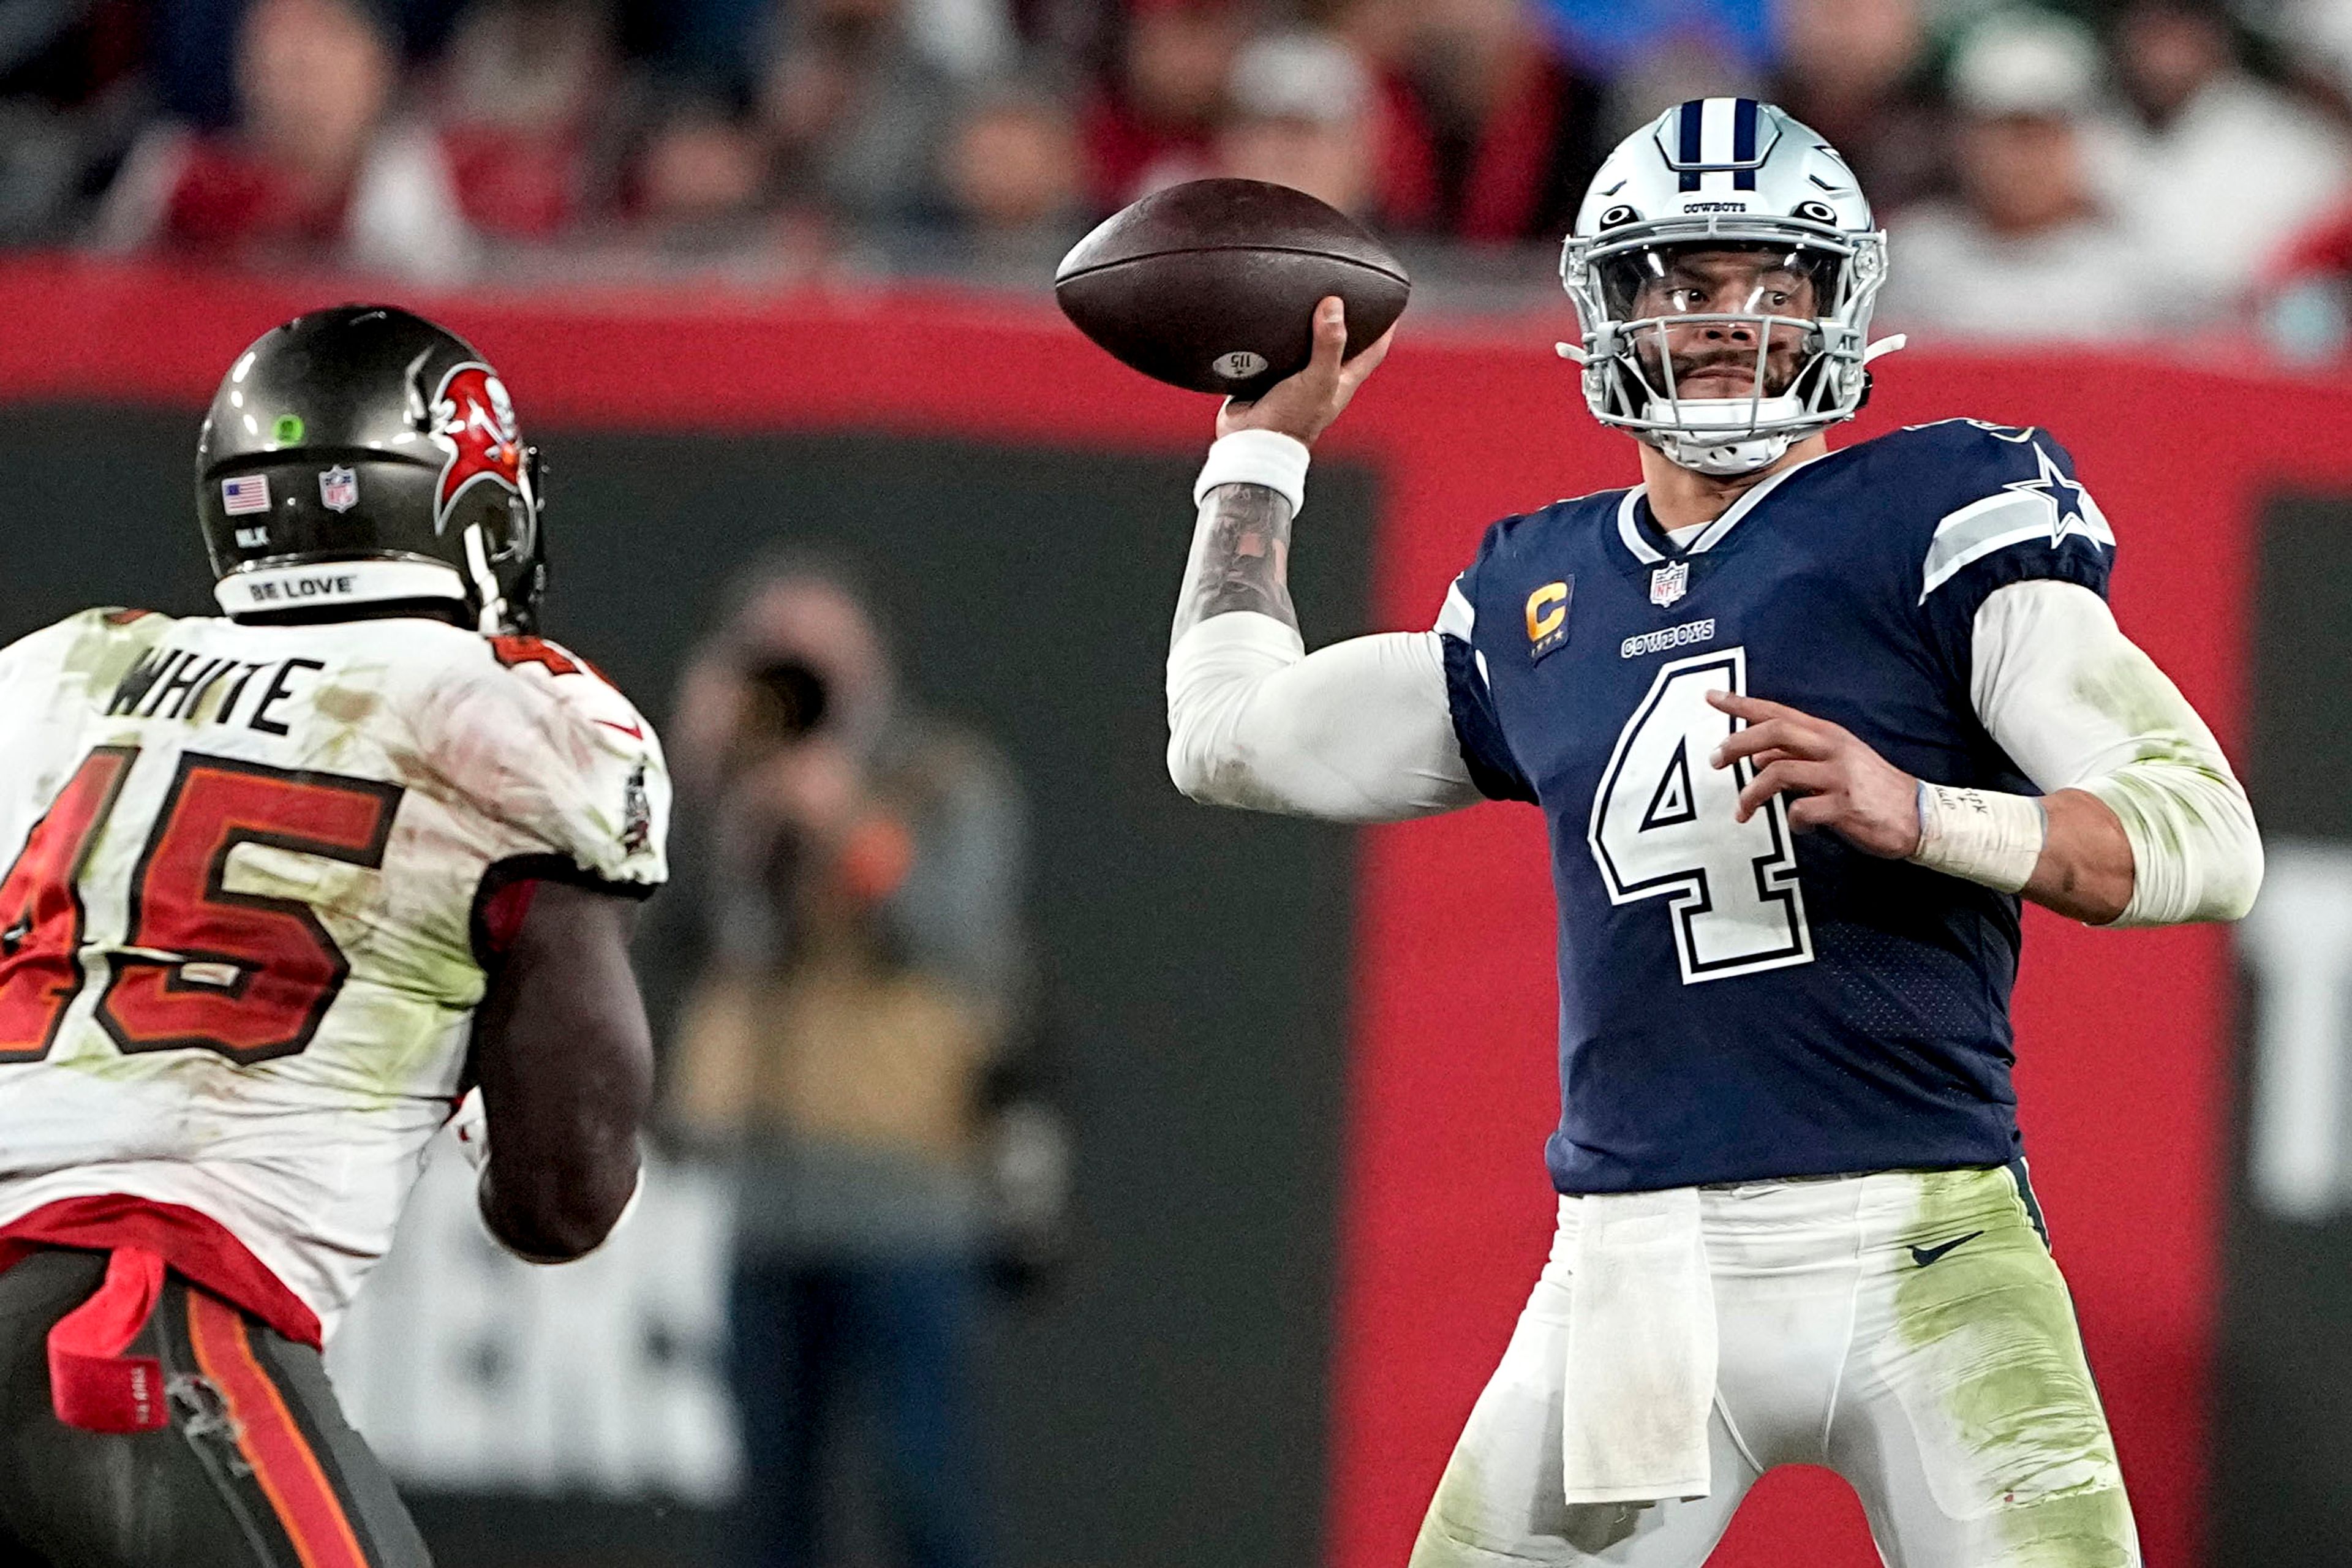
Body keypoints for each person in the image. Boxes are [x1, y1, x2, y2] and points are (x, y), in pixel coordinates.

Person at [1161, 98, 2260, 1564]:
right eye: (1685, 282)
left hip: (1925, 1241)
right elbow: (1228, 738)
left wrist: (1920, 811)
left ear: (1839, 303)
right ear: (1611, 307)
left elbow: (2206, 836)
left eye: (1774, 282)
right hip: (1636, 1269)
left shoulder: (1940, 508)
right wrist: (1255, 461)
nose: (1730, 320)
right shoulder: (1537, 592)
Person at [0, 305, 669, 1566]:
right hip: (141, 1317)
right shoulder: (510, 719)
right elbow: (565, 1194)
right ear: (475, 507)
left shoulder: (62, 677)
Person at [659, 559, 1055, 1568]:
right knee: (765, 1507)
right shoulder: (737, 791)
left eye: (812, 651)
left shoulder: (946, 779)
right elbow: (683, 940)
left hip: (906, 1199)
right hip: (764, 1201)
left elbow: (953, 940)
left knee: (925, 1490)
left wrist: (843, 820)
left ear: (867, 656)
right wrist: (702, 790)